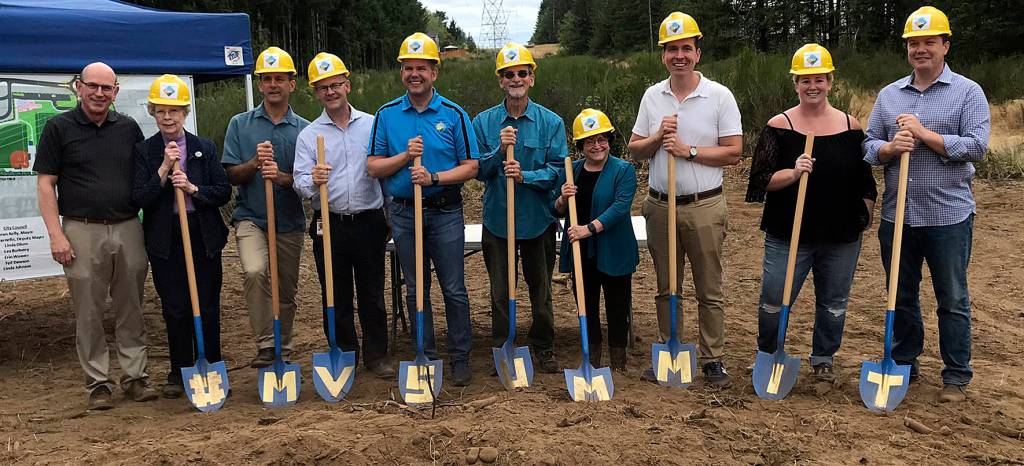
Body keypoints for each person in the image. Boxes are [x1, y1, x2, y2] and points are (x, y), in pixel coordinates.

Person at [863, 6, 990, 403]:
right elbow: (867, 146)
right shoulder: (888, 95)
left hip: (948, 215)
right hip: (898, 215)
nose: (921, 49)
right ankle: (904, 362)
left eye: (929, 42)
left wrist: (925, 134)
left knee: (952, 297)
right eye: (914, 43)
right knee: (900, 294)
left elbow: (977, 146)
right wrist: (887, 148)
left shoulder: (968, 92)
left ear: (945, 45)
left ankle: (956, 374)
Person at [745, 45, 877, 382]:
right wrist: (792, 173)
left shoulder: (850, 126)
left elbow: (865, 180)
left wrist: (866, 210)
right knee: (774, 299)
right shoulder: (780, 125)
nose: (812, 86)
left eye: (819, 79)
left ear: (831, 82)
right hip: (788, 233)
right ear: (796, 84)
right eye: (805, 80)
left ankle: (823, 359)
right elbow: (760, 182)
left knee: (833, 304)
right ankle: (769, 353)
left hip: (840, 234)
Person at [627, 12, 743, 387]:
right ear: (663, 55)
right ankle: (670, 347)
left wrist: (689, 151)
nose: (679, 56)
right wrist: (658, 137)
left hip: (704, 204)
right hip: (660, 205)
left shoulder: (719, 96)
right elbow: (635, 151)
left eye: (686, 49)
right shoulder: (652, 96)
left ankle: (712, 360)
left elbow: (733, 152)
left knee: (709, 286)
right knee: (667, 285)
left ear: (697, 52)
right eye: (672, 49)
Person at [33, 62, 156, 409]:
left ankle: (135, 377)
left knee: (131, 305)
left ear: (115, 92)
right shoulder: (58, 128)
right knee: (88, 310)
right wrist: (56, 235)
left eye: (107, 88)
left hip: (129, 226)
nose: (99, 94)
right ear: (78, 87)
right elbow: (45, 184)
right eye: (93, 86)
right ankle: (98, 383)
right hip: (80, 229)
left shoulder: (129, 128)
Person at [367, 32, 480, 386]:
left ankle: (460, 356)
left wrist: (432, 177)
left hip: (445, 211)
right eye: (408, 68)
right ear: (402, 72)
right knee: (416, 289)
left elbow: (471, 167)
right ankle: (426, 355)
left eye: (421, 68)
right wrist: (403, 158)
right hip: (403, 213)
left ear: (435, 72)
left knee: (454, 288)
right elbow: (373, 166)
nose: (414, 74)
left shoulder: (454, 114)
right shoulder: (386, 115)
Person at [293, 53, 394, 378]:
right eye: (323, 88)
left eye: (335, 84)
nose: (330, 92)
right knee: (334, 293)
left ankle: (377, 355)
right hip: (330, 224)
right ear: (316, 93)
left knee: (372, 292)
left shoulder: (371, 125)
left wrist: (389, 216)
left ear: (347, 85)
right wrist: (314, 181)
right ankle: (345, 352)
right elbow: (299, 182)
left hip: (369, 221)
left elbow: (385, 171)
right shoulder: (310, 135)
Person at [132, 75, 231, 398]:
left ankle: (212, 362)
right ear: (153, 113)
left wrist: (192, 188)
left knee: (206, 303)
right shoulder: (144, 151)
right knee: (175, 307)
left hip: (201, 234)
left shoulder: (204, 148)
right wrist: (163, 169)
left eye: (174, 111)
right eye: (161, 111)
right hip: (165, 237)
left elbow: (222, 192)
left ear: (185, 112)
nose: (168, 118)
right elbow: (140, 198)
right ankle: (179, 370)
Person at [472, 43, 566, 374]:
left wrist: (526, 176)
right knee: (500, 291)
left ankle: (543, 346)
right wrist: (499, 152)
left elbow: (558, 169)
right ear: (500, 80)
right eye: (509, 74)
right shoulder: (483, 123)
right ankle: (504, 344)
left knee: (540, 291)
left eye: (522, 73)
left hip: (538, 221)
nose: (516, 79)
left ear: (532, 78)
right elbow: (477, 170)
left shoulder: (551, 123)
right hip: (498, 221)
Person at [222, 46, 310, 367]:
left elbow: (305, 182)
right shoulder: (239, 125)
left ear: (292, 84)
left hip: (288, 221)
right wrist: (255, 163)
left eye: (279, 79)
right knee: (255, 271)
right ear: (259, 85)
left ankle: (282, 348)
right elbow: (232, 175)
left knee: (286, 291)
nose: (273, 84)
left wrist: (281, 176)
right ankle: (264, 344)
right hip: (251, 218)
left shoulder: (305, 129)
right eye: (267, 79)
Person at [553, 108, 638, 371]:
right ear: (580, 145)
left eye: (602, 139)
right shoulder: (572, 171)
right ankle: (592, 359)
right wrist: (562, 198)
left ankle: (618, 362)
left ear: (609, 141)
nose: (597, 145)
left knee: (617, 306)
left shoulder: (623, 170)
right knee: (586, 306)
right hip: (582, 253)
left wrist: (587, 229)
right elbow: (556, 210)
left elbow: (620, 208)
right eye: (590, 141)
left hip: (614, 250)